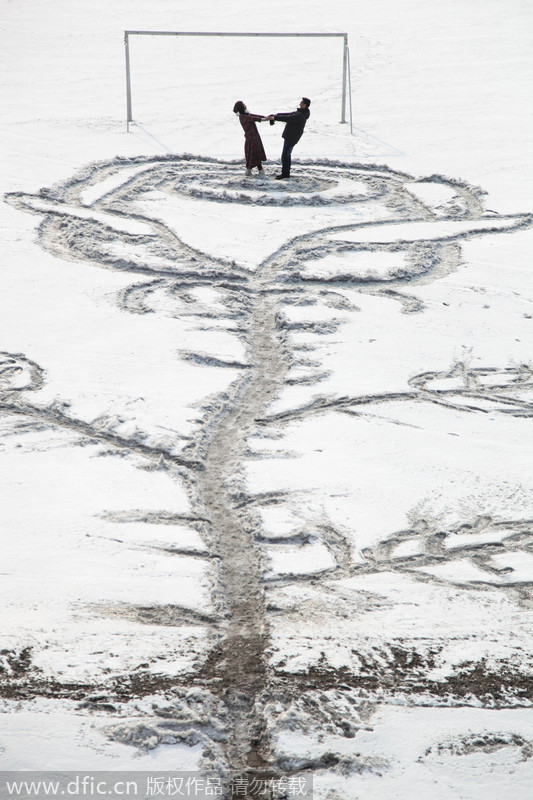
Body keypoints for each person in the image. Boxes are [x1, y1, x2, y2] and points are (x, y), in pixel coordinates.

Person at [267, 97, 311, 179]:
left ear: (305, 105)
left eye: (301, 103)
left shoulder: (300, 115)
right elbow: (288, 114)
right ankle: (285, 173)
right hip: (291, 136)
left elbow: (288, 118)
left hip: (291, 137)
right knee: (287, 155)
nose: (300, 104)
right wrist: (275, 115)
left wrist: (275, 117)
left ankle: (285, 174)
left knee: (285, 156)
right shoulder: (300, 112)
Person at [233, 101, 268, 176]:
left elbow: (256, 116)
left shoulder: (244, 115)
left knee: (253, 154)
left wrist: (266, 117)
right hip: (252, 138)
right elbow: (255, 118)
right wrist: (265, 119)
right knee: (253, 154)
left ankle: (252, 170)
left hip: (253, 137)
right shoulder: (244, 117)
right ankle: (258, 170)